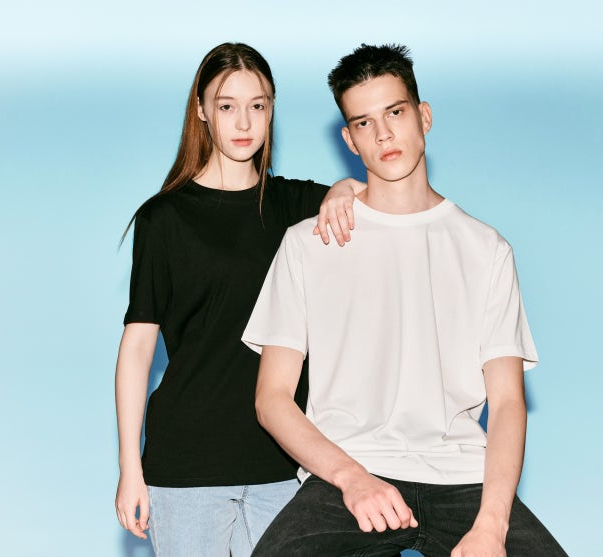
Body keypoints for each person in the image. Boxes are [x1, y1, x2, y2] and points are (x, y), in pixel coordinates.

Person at [242, 44, 567, 556]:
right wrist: (352, 478)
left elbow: (507, 401)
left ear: (424, 117)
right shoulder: (309, 243)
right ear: (350, 139)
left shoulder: (486, 249)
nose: (383, 134)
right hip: (348, 473)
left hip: (464, 477)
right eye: (364, 122)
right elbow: (272, 399)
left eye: (394, 113)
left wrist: (491, 525)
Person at [114, 42, 363, 556]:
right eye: (227, 105)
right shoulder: (164, 218)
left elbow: (383, 197)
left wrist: (343, 187)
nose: (244, 122)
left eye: (258, 105)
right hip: (187, 466)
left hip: (286, 466)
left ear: (272, 110)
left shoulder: (296, 205)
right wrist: (129, 468)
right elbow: (137, 349)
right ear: (202, 110)